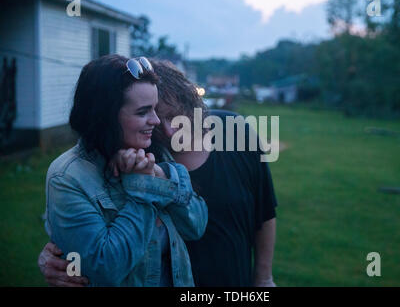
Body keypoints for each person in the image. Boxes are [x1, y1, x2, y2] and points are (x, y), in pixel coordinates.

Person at [39, 59, 277, 287]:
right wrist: (58, 253)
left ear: (190, 103)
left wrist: (264, 278)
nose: (167, 129)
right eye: (147, 112)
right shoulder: (150, 147)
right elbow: (93, 243)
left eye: (172, 116)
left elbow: (262, 209)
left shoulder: (231, 132)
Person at [42, 54, 207, 286]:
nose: (157, 121)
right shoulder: (67, 177)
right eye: (143, 112)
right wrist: (141, 190)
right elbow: (105, 268)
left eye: (155, 109)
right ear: (105, 117)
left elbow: (196, 225)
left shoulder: (155, 152)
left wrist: (159, 175)